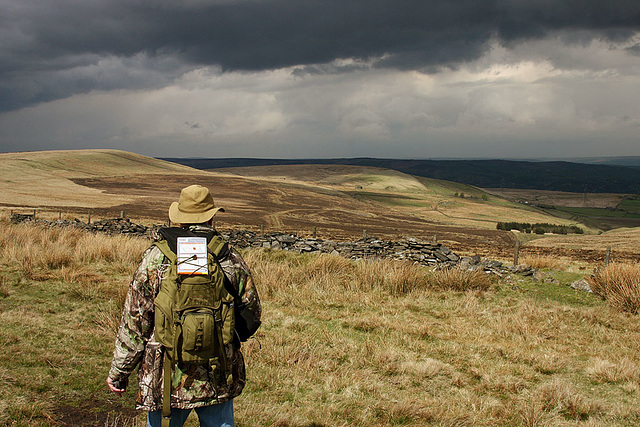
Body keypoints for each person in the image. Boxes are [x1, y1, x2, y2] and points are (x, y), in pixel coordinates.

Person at [106, 184, 261, 427]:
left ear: (179, 219)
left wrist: (120, 372)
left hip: (166, 374)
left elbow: (135, 323)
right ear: (211, 218)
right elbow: (251, 312)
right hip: (217, 373)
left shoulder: (157, 258)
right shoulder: (227, 256)